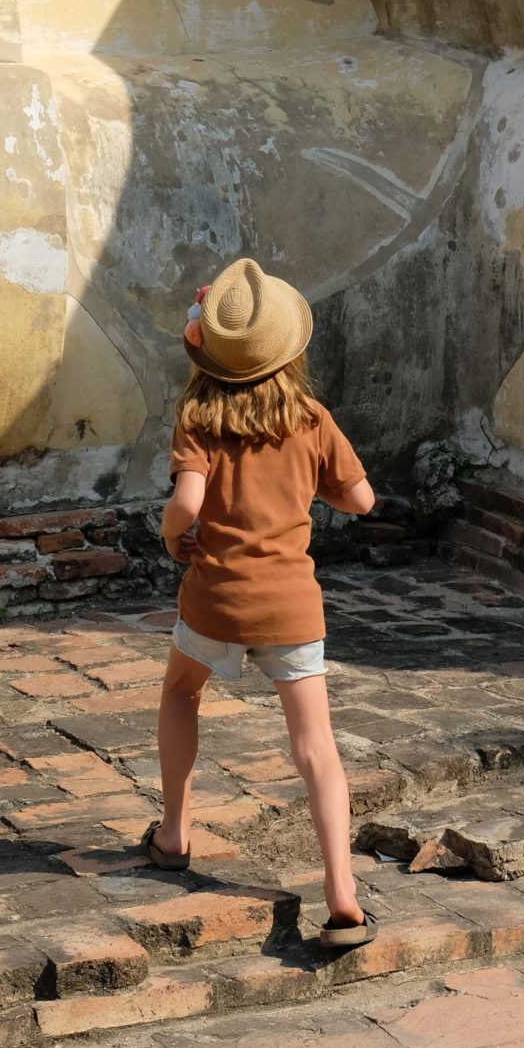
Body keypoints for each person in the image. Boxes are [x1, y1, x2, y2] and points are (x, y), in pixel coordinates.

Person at [143, 256, 377, 949]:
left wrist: (169, 537)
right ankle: (341, 891)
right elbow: (360, 500)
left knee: (182, 692)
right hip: (291, 607)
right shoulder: (310, 418)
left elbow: (186, 504)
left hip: (215, 597)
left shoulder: (199, 416)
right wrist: (314, 487)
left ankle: (175, 832)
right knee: (316, 750)